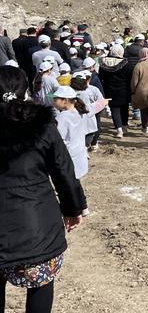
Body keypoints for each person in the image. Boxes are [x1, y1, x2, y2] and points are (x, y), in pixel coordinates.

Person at [0, 66, 87, 313]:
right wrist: (74, 208)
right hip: (35, 223)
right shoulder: (42, 125)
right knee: (40, 283)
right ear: (25, 90)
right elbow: (63, 170)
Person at [99, 44, 133, 138]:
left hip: (109, 89)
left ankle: (119, 130)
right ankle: (124, 127)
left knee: (114, 109)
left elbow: (101, 77)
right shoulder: (125, 63)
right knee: (124, 109)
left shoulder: (103, 62)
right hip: (124, 90)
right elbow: (130, 78)